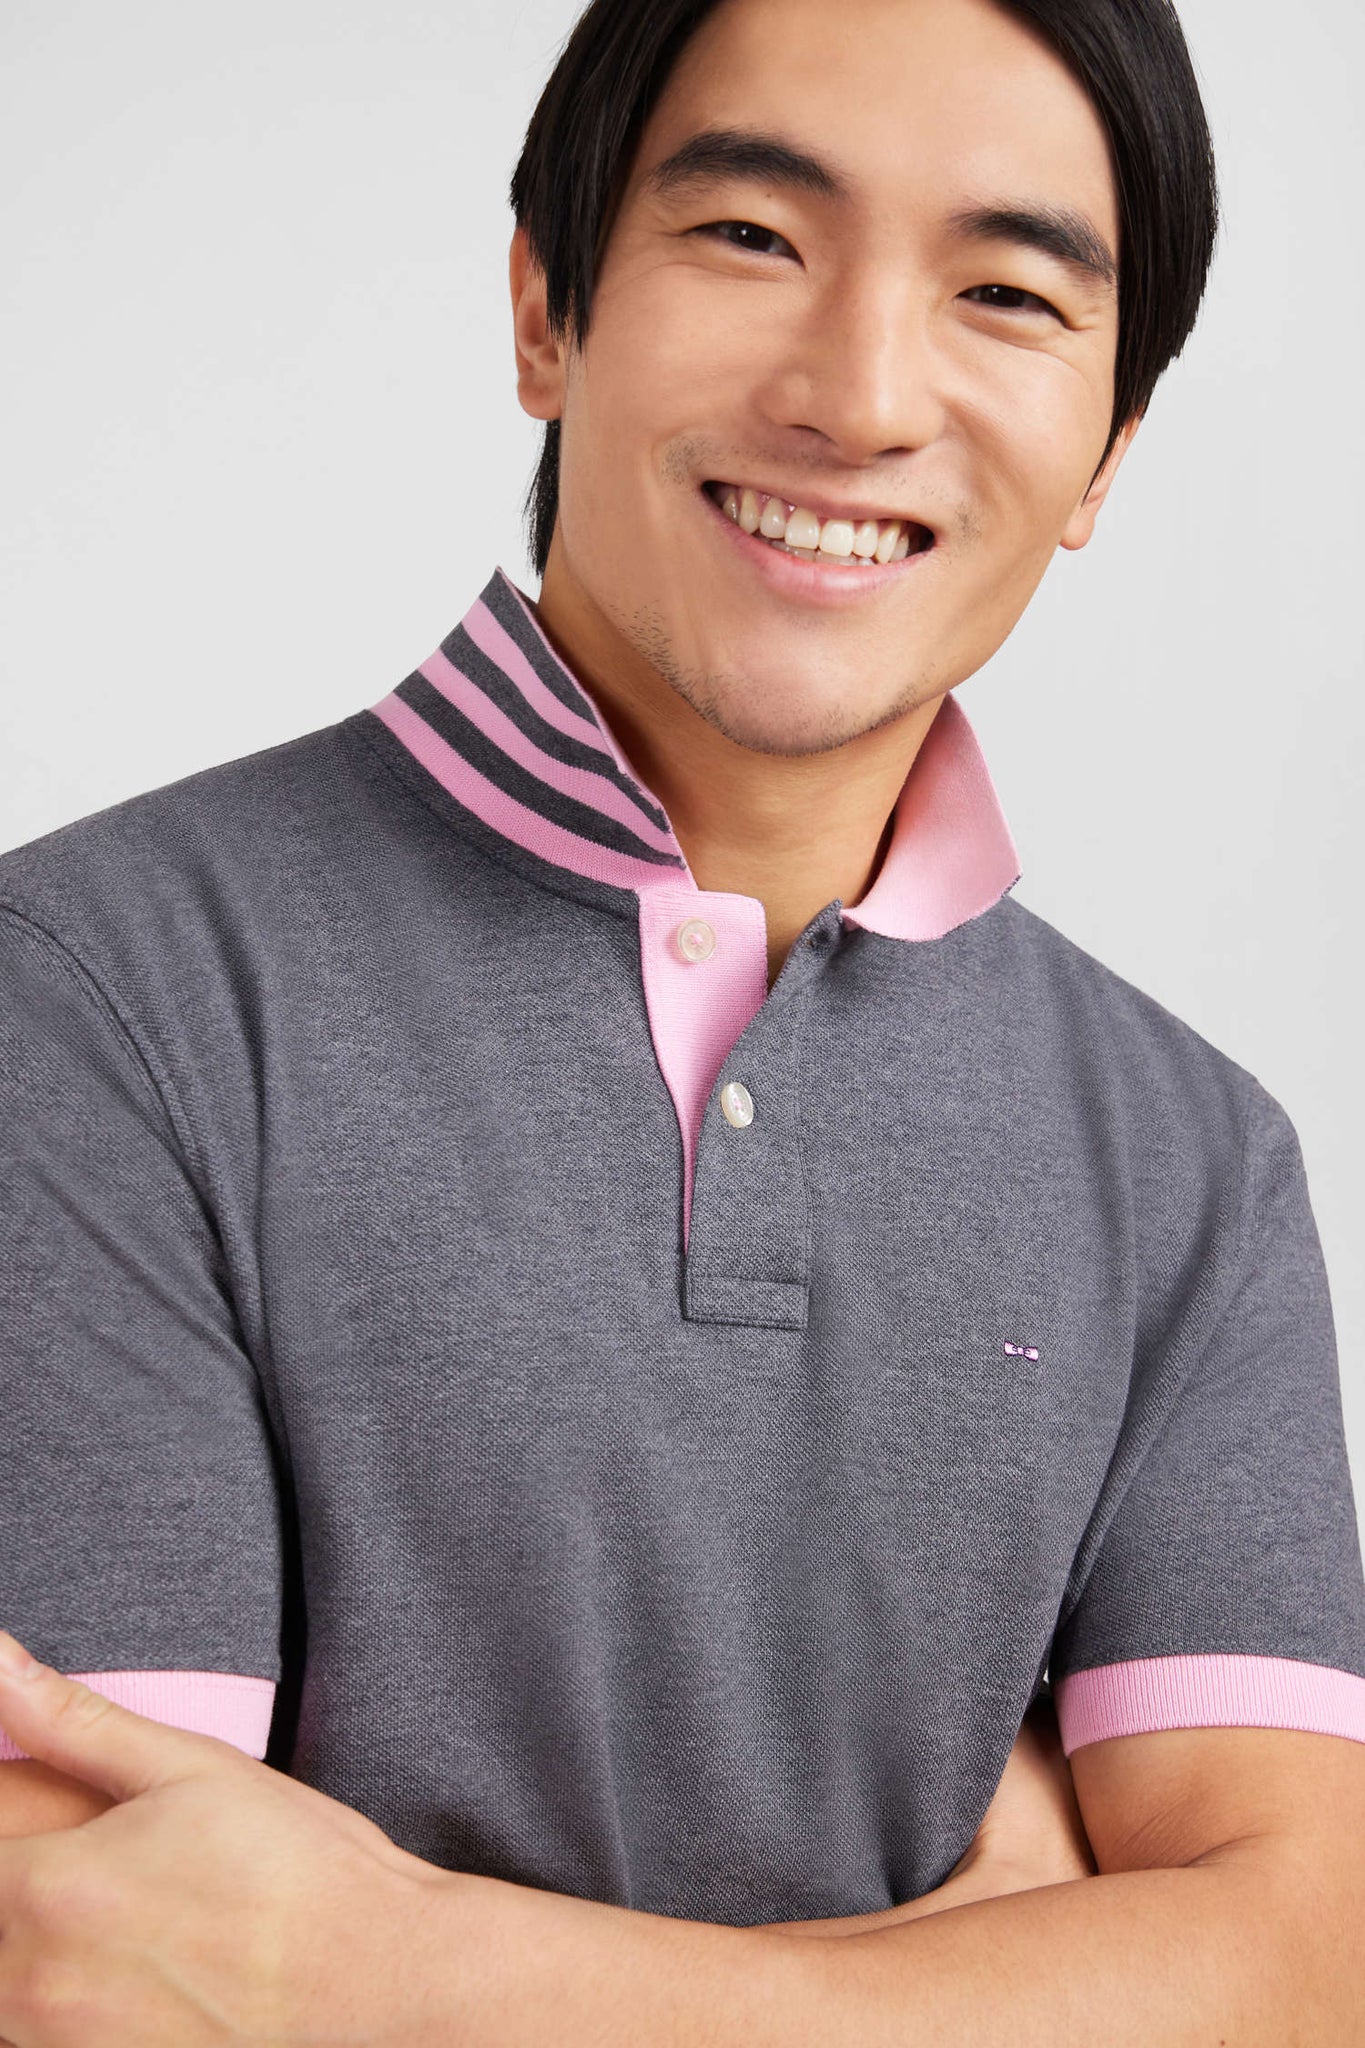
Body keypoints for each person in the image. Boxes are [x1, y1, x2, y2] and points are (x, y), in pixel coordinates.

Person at [1, 0, 1362, 2034]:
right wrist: (1008, 1955)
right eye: (751, 236)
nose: (859, 395)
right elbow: (94, 1962)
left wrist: (390, 1967)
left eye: (1004, 292)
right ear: (544, 308)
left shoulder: (1194, 1167)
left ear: (1103, 453)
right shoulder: (92, 995)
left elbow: (1306, 1967)